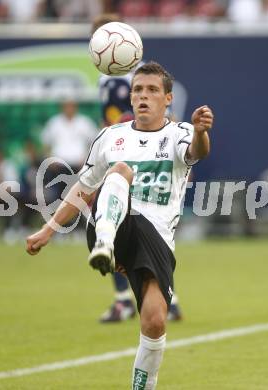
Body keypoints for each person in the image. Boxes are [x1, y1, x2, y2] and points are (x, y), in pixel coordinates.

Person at [26, 61, 214, 388]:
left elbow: (197, 152)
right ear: (130, 98)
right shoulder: (110, 138)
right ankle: (105, 246)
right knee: (120, 171)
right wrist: (48, 229)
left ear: (167, 98)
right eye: (138, 90)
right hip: (110, 228)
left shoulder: (179, 133)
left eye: (152, 90)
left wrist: (200, 131)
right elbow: (82, 189)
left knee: (155, 321)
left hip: (156, 239)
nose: (144, 96)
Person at [92, 14, 183, 322]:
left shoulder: (122, 80)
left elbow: (120, 123)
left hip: (129, 157)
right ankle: (166, 298)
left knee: (116, 221)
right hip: (123, 154)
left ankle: (124, 300)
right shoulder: (110, 78)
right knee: (139, 226)